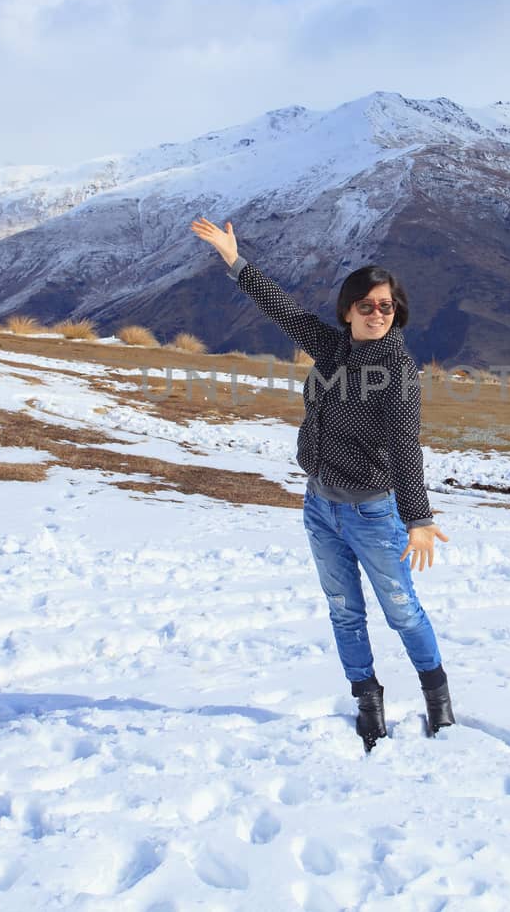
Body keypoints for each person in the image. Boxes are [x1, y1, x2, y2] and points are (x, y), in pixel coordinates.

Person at [189, 216, 454, 750]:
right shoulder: (330, 348)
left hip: (372, 512)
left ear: (396, 312)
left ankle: (437, 697)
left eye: (386, 306)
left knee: (401, 609)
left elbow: (405, 449)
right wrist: (233, 259)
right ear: (348, 310)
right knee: (343, 610)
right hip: (320, 507)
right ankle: (367, 698)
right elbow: (281, 308)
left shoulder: (398, 372)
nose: (377, 313)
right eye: (366, 305)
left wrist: (418, 520)